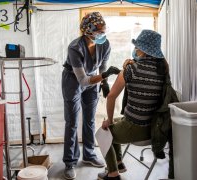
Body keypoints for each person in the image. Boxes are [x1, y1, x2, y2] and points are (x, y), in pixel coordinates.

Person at [98, 29, 168, 180]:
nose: (135, 49)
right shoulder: (162, 71)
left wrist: (108, 121)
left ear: (144, 50)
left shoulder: (131, 69)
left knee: (103, 131)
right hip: (154, 129)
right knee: (116, 122)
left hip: (134, 128)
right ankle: (119, 163)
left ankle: (113, 174)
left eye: (138, 47)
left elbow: (111, 97)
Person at [61, 12, 120, 180]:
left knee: (90, 119)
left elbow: (103, 67)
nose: (103, 34)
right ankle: (70, 162)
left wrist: (104, 82)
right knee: (72, 122)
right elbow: (83, 80)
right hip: (74, 80)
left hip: (93, 79)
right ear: (88, 30)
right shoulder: (75, 48)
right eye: (99, 31)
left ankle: (88, 154)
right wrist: (102, 77)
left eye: (104, 31)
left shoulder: (105, 44)